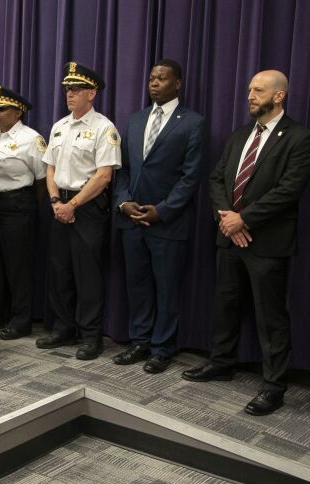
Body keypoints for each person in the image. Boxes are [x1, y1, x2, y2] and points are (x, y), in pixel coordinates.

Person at [182, 70, 310, 417]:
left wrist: (244, 219)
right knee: (225, 304)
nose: (250, 96)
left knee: (270, 316)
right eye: (249, 90)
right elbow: (216, 179)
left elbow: (288, 190)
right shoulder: (240, 135)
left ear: (279, 96)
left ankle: (273, 386)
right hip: (229, 236)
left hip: (267, 242)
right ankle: (221, 362)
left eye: (258, 90)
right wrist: (228, 219)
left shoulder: (300, 138)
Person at [113, 60, 204, 373]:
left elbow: (191, 177)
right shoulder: (136, 119)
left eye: (162, 78)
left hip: (168, 222)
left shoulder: (192, 122)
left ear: (177, 83)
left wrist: (162, 210)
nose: (154, 83)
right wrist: (123, 202)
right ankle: (140, 341)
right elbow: (123, 169)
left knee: (166, 289)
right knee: (137, 285)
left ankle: (162, 348)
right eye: (151, 78)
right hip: (131, 219)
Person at [35, 62, 121, 361]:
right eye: (67, 90)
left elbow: (104, 175)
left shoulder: (104, 128)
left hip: (87, 207)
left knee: (88, 275)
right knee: (60, 270)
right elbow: (50, 168)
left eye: (76, 89)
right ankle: (63, 328)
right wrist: (56, 201)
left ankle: (90, 336)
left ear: (91, 93)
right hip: (59, 204)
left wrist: (72, 205)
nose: (69, 94)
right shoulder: (59, 126)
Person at [0, 85, 45, 340]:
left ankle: (20, 320)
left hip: (18, 205)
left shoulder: (31, 139)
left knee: (18, 266)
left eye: (3, 109)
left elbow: (42, 180)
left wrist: (27, 206)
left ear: (18, 112)